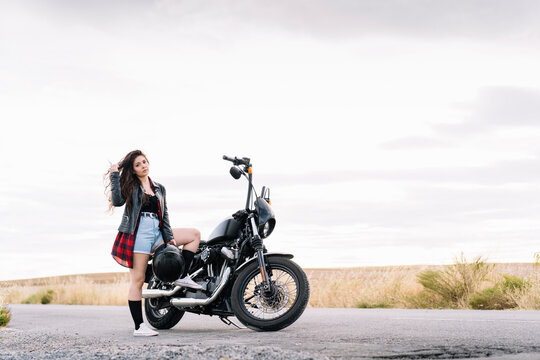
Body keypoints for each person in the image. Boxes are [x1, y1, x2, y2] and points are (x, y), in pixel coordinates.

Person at [104, 150, 202, 337]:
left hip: (157, 232)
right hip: (139, 234)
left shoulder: (159, 188)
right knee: (138, 281)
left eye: (144, 162)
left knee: (193, 235)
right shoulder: (131, 186)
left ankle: (182, 275)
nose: (143, 166)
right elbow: (117, 201)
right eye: (138, 165)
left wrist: (169, 239)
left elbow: (164, 216)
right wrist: (114, 175)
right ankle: (139, 327)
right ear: (133, 170)